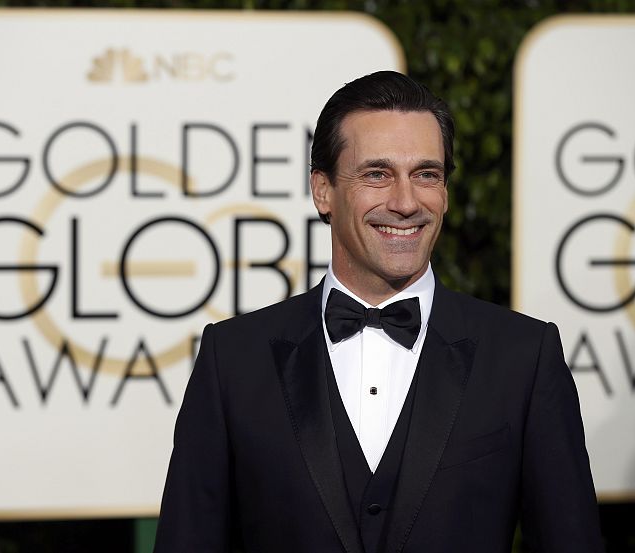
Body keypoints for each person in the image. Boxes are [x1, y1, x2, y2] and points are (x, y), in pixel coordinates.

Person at [153, 71, 604, 553]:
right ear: (322, 191)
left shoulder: (523, 357)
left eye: (426, 174)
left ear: (445, 192)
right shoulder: (234, 360)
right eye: (377, 174)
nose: (406, 202)